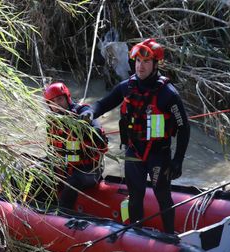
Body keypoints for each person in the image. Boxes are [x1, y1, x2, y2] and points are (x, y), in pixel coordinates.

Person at [82, 38, 190, 233]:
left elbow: (184, 128)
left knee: (162, 196)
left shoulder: (168, 94)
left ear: (156, 64)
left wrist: (178, 160)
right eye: (138, 61)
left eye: (146, 62)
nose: (140, 66)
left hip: (159, 154)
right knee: (135, 194)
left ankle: (170, 236)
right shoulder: (126, 87)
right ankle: (136, 234)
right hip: (133, 152)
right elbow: (103, 104)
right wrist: (89, 112)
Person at [43, 82, 108, 210]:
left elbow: (101, 138)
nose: (57, 104)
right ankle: (41, 206)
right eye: (53, 102)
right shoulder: (53, 122)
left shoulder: (83, 113)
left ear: (67, 98)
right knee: (39, 168)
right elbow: (53, 151)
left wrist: (83, 128)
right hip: (65, 168)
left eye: (60, 99)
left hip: (89, 171)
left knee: (73, 180)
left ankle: (63, 213)